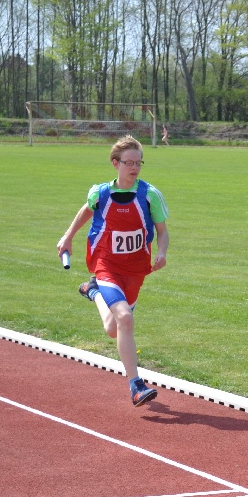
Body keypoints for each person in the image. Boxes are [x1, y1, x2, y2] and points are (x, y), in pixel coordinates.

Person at [57, 135, 169, 407]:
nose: (134, 168)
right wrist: (68, 236)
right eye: (129, 163)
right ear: (115, 163)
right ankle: (136, 385)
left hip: (136, 269)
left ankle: (93, 291)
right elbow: (87, 210)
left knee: (112, 328)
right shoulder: (101, 193)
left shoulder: (150, 195)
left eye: (138, 163)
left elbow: (162, 231)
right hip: (106, 264)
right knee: (125, 318)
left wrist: (162, 251)